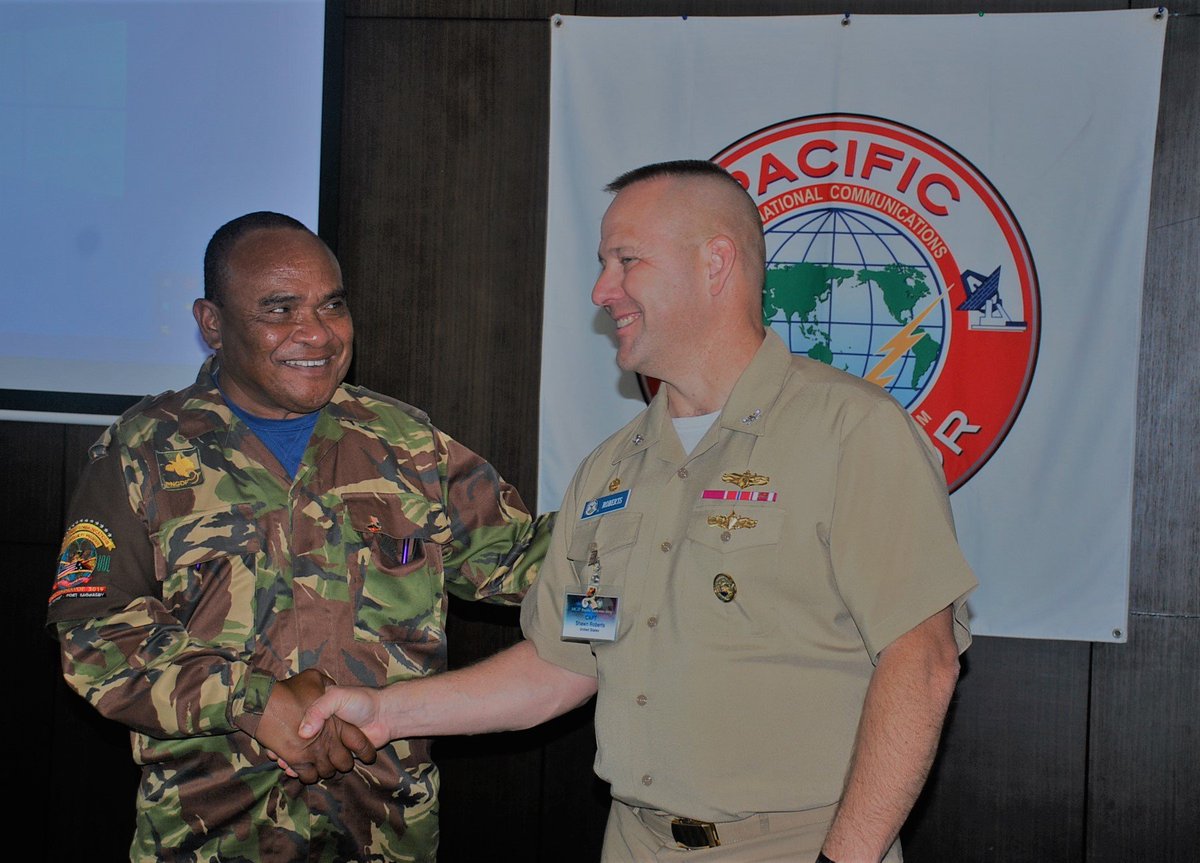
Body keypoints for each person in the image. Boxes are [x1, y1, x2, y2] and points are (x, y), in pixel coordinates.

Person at [296, 161, 978, 862]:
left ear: (716, 263)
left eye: (627, 261)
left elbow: (920, 662)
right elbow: (562, 664)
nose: (602, 290)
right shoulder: (611, 467)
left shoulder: (849, 432)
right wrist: (384, 710)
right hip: (635, 843)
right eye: (601, 264)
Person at [47, 211, 552, 863]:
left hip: (383, 836)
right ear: (212, 323)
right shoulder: (144, 451)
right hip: (209, 838)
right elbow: (92, 631)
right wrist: (251, 702)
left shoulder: (406, 445)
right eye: (280, 309)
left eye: (332, 305)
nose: (316, 333)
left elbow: (531, 563)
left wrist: (660, 530)